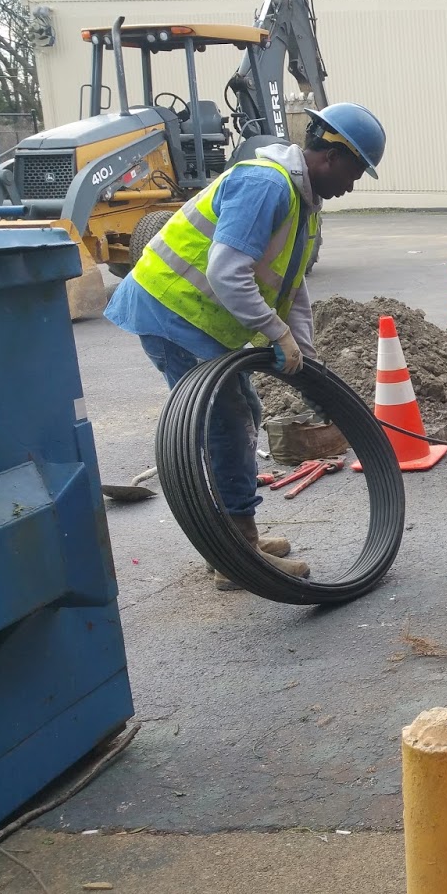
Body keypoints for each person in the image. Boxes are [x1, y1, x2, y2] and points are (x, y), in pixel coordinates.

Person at [102, 102, 386, 590]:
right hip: (171, 311)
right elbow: (226, 272)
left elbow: (291, 287)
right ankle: (237, 553)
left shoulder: (303, 202)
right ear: (329, 157)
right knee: (227, 420)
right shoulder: (267, 185)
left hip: (196, 320)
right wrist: (275, 334)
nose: (353, 185)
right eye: (355, 171)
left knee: (242, 413)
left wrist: (307, 363)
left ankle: (237, 538)